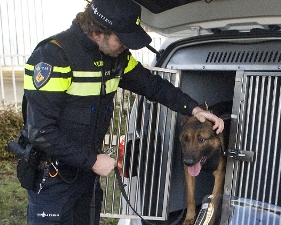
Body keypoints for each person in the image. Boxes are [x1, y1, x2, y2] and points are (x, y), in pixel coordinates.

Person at [21, 0, 224, 224]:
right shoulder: (53, 57)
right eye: (122, 39)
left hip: (86, 174)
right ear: (98, 32)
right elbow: (40, 131)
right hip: (53, 178)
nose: (126, 47)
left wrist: (195, 109)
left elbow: (153, 86)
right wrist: (92, 160)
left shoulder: (116, 56)